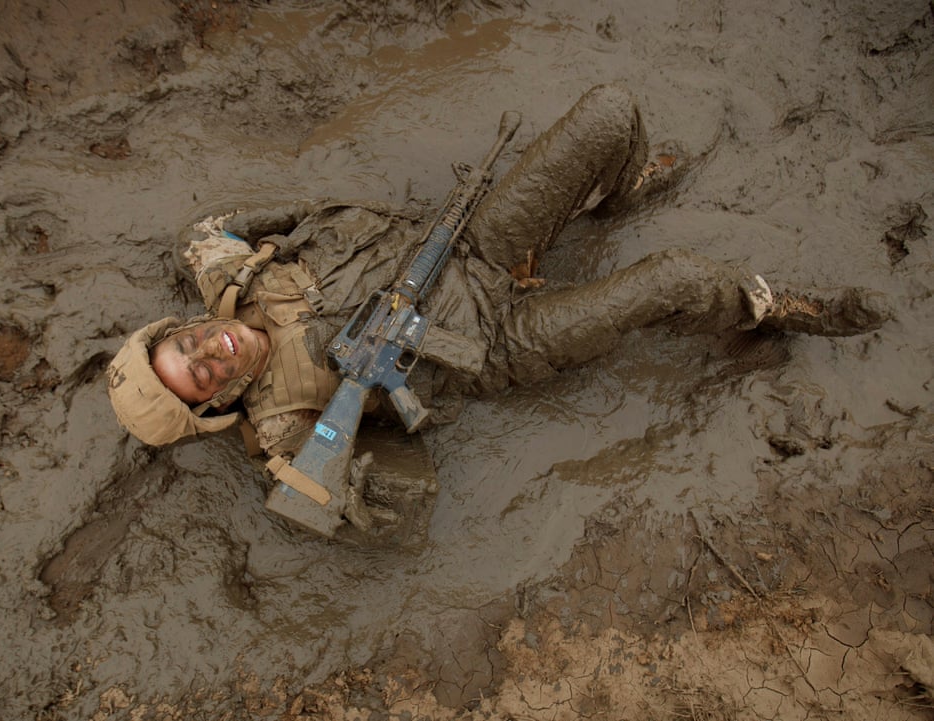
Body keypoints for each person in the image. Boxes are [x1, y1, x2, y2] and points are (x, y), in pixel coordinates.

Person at [106, 85, 891, 540]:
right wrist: (348, 476)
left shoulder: (232, 276)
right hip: (497, 342)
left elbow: (201, 233)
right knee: (672, 278)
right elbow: (393, 501)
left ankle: (621, 192)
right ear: (213, 405)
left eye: (184, 341)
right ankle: (773, 307)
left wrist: (275, 226)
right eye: (198, 373)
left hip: (467, 243)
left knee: (610, 111)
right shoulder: (281, 427)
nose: (208, 347)